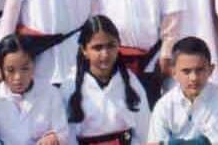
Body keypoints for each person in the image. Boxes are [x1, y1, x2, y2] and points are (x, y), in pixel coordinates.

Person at [60, 15, 151, 144]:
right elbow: (66, 135)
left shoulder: (131, 82)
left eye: (111, 46)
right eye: (97, 47)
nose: (105, 54)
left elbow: (144, 131)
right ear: (84, 50)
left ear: (118, 45)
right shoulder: (70, 86)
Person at [0, 35, 69, 145]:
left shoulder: (50, 93)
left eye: (25, 68)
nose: (18, 77)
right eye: (10, 70)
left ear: (33, 65)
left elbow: (63, 132)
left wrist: (54, 138)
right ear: (0, 69)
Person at [148, 37, 218, 144]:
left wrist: (170, 143)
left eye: (199, 70)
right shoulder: (164, 105)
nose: (193, 78)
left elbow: (216, 142)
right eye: (186, 71)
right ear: (173, 72)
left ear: (211, 70)